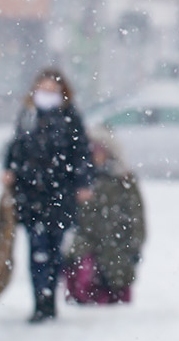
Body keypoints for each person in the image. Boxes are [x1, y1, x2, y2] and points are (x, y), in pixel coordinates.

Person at [2, 68, 93, 323]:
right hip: (31, 195)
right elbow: (15, 147)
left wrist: (83, 182)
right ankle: (40, 302)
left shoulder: (70, 117)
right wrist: (9, 169)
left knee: (54, 251)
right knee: (36, 248)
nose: (47, 95)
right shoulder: (28, 116)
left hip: (60, 195)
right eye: (44, 89)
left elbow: (81, 152)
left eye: (53, 91)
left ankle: (49, 299)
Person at [65, 129, 146, 304]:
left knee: (116, 286)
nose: (95, 153)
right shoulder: (79, 178)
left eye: (99, 148)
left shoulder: (123, 179)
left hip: (117, 243)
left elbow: (136, 214)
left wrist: (135, 243)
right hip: (87, 240)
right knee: (83, 279)